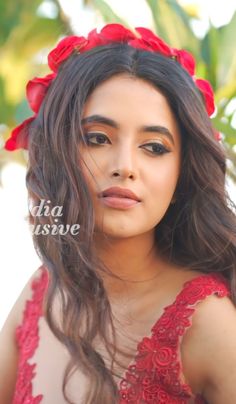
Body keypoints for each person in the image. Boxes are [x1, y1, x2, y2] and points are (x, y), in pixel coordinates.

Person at [0, 23, 236, 404]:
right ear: (60, 153)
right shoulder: (41, 291)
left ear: (182, 176)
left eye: (155, 147)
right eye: (97, 139)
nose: (125, 166)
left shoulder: (206, 323)